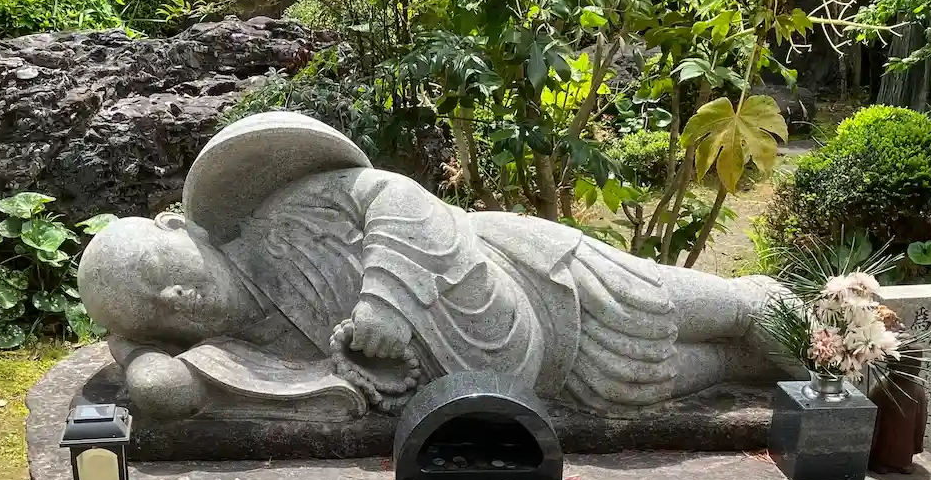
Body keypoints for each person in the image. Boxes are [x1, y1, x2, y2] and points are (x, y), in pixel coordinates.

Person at [79, 112, 783, 420]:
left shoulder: (284, 216)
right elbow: (162, 393)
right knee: (702, 375)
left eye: (160, 268)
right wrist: (131, 346)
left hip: (532, 279)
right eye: (157, 307)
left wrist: (385, 299)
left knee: (732, 309)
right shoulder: (240, 356)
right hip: (540, 383)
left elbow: (393, 193)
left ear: (180, 226)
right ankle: (803, 369)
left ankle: (828, 339)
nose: (177, 293)